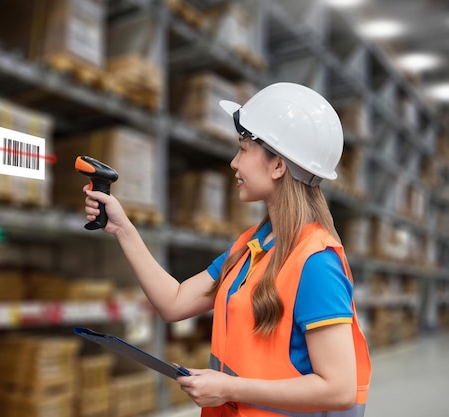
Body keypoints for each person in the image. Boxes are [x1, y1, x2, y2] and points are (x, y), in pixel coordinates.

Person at [82, 82, 372, 417]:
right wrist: (123, 229)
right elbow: (174, 302)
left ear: (278, 165)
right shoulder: (252, 246)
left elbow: (338, 388)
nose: (234, 163)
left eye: (244, 150)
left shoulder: (316, 262)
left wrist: (228, 388)